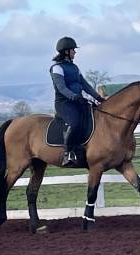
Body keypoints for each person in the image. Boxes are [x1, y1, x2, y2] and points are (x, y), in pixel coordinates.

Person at [50, 36, 105, 166]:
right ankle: (67, 153)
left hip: (78, 101)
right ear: (66, 51)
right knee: (74, 124)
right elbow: (61, 88)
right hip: (64, 103)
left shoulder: (75, 68)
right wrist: (74, 96)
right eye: (73, 50)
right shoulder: (57, 68)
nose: (75, 52)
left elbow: (85, 85)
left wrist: (98, 98)